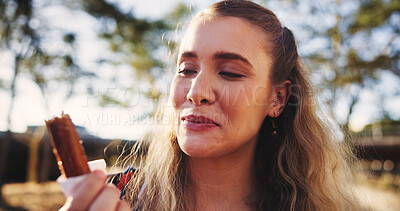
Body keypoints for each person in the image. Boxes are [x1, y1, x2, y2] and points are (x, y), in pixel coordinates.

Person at [60, 0, 359, 210]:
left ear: (277, 98)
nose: (196, 92)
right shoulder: (114, 197)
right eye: (186, 70)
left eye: (230, 72)